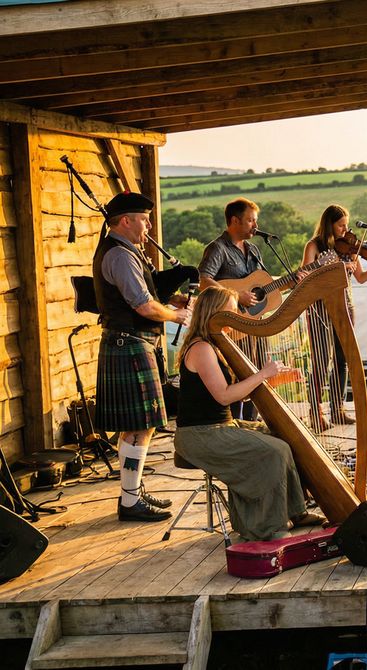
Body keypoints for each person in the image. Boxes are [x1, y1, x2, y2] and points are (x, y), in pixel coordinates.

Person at [174, 287, 321, 540]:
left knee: (283, 436)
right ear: (215, 313)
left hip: (221, 427)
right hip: (200, 434)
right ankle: (268, 526)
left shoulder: (216, 345)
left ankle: (295, 511)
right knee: (274, 451)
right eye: (232, 311)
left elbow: (236, 393)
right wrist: (263, 374)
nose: (238, 316)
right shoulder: (201, 349)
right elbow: (224, 396)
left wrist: (275, 380)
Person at [93, 192, 192, 522]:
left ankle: (131, 492)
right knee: (140, 427)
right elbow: (143, 305)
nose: (148, 225)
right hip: (129, 343)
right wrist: (177, 317)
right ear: (125, 221)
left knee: (137, 428)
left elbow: (147, 295)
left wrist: (173, 299)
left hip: (129, 343)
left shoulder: (125, 251)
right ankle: (130, 500)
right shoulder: (120, 255)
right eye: (144, 219)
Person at [301, 205, 367, 430]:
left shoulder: (348, 248)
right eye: (341, 225)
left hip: (345, 305)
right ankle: (315, 412)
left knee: (341, 357)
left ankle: (337, 409)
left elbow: (362, 277)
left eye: (346, 225)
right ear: (330, 224)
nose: (346, 230)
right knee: (320, 359)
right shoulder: (314, 246)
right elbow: (305, 277)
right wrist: (338, 268)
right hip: (319, 305)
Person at [198, 198, 266, 421]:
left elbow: (259, 283)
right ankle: (234, 424)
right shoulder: (217, 248)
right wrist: (236, 296)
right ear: (235, 221)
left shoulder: (253, 249)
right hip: (230, 326)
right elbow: (204, 281)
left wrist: (294, 280)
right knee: (236, 375)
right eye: (250, 221)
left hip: (253, 324)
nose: (255, 226)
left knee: (255, 373)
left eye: (255, 221)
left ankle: (251, 424)